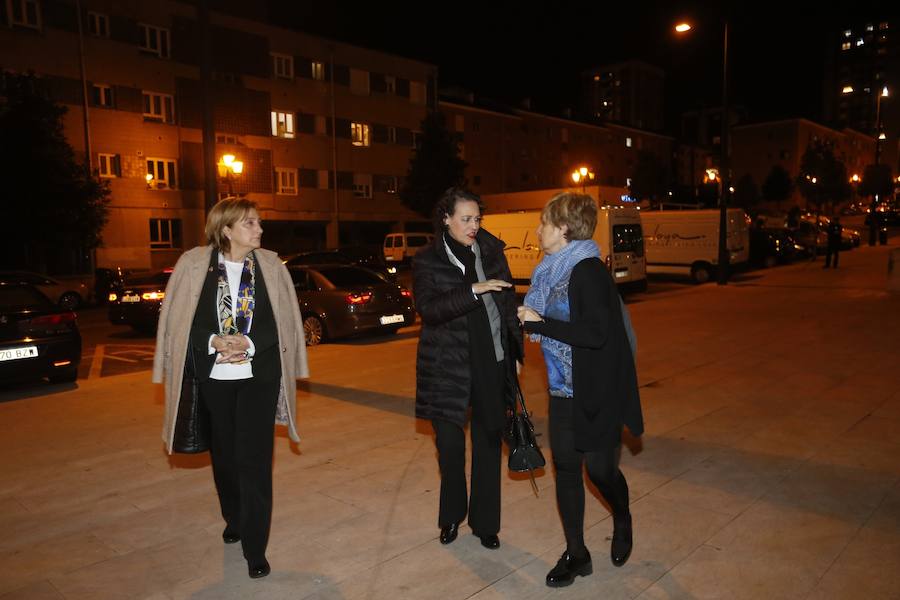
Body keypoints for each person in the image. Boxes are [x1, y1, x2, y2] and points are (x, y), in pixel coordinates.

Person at [152, 198, 308, 579]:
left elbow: (285, 321)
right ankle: (234, 516)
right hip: (215, 378)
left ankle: (255, 547)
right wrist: (213, 341)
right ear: (226, 229)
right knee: (225, 456)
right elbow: (178, 322)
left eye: (258, 223)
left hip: (260, 377)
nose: (259, 229)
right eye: (250, 224)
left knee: (255, 460)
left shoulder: (271, 266)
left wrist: (250, 343)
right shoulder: (193, 265)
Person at [518, 192, 643, 587]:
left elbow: (594, 333)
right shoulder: (549, 271)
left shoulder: (588, 271)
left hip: (597, 390)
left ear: (564, 228)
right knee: (568, 470)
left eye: (544, 223)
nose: (538, 230)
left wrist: (539, 324)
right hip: (562, 392)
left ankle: (621, 516)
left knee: (601, 471)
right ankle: (577, 553)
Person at [413, 187, 524, 550]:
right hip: (447, 368)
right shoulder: (427, 261)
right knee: (449, 448)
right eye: (466, 219)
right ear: (445, 219)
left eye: (477, 219)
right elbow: (429, 310)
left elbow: (508, 308)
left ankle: (486, 524)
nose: (473, 225)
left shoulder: (492, 253)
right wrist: (473, 290)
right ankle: (451, 518)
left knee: (489, 443)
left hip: (491, 362)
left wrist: (516, 354)